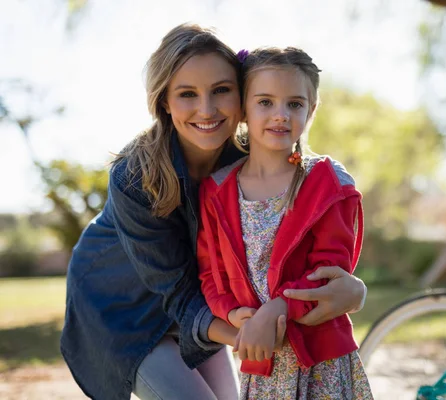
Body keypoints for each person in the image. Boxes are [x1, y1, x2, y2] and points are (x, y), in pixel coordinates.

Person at [60, 24, 368, 400]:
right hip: (122, 307)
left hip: (204, 304)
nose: (206, 109)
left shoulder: (246, 162)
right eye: (187, 94)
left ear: (243, 98)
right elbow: (178, 293)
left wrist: (353, 291)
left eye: (221, 90)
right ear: (164, 103)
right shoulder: (133, 176)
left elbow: (307, 227)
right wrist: (259, 329)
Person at [197, 47, 373, 399]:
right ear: (243, 108)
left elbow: (330, 271)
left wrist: (277, 310)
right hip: (263, 361)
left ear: (311, 111)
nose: (280, 115)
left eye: (294, 104)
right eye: (265, 102)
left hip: (323, 360)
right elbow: (210, 274)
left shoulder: (328, 183)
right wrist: (237, 317)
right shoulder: (216, 191)